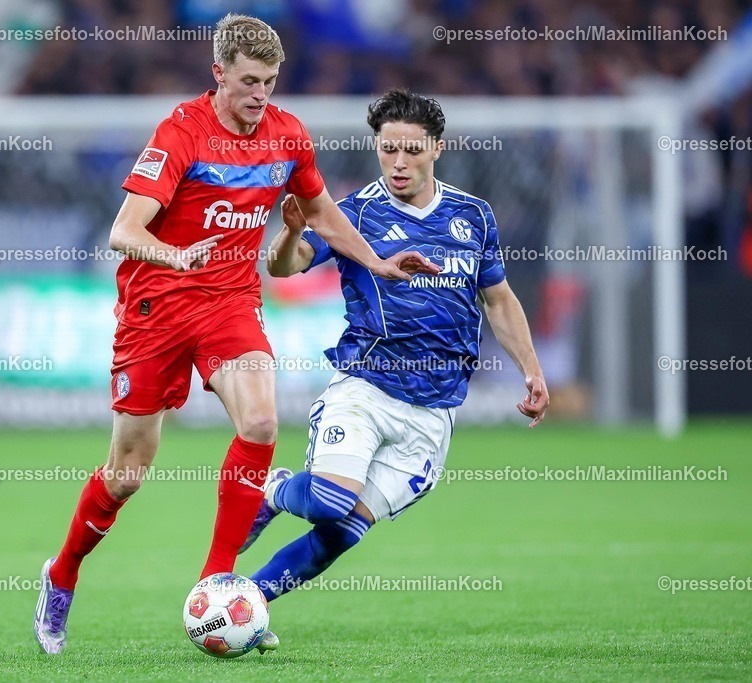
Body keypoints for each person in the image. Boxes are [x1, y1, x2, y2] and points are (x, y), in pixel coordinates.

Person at [34, 17, 436, 655]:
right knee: (127, 473)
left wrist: (378, 261)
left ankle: (216, 583)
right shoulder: (181, 132)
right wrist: (175, 255)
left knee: (261, 424)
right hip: (156, 308)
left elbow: (322, 213)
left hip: (229, 303)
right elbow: (124, 231)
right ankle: (62, 574)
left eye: (270, 81)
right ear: (218, 72)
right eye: (249, 81)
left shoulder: (287, 134)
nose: (260, 94)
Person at [241, 90, 549, 647]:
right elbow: (285, 268)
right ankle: (276, 489)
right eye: (388, 150)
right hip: (366, 387)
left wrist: (531, 368)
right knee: (329, 500)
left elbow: (498, 299)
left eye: (411, 150)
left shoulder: (473, 215)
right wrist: (291, 230)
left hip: (434, 412)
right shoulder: (354, 212)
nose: (399, 162)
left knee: (342, 533)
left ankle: (247, 601)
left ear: (437, 149)